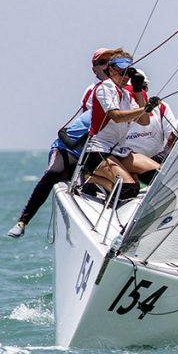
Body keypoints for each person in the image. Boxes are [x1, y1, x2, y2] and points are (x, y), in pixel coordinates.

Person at [7, 48, 117, 238]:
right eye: (102, 62)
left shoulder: (125, 89)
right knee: (54, 173)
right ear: (94, 69)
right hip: (71, 148)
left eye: (111, 61)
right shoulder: (93, 90)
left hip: (100, 149)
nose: (107, 65)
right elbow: (85, 119)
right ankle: (23, 221)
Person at [81, 52, 161, 201]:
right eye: (122, 72)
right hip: (98, 152)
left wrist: (138, 91)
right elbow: (116, 116)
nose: (126, 77)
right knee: (129, 190)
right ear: (111, 70)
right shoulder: (105, 88)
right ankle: (90, 177)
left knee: (159, 175)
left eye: (128, 73)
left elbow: (144, 121)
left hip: (119, 152)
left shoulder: (125, 94)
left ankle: (122, 175)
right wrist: (145, 109)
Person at [124, 69, 178, 168]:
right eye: (134, 88)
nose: (139, 92)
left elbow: (172, 138)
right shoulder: (119, 109)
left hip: (156, 163)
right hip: (128, 163)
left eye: (142, 87)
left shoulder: (161, 107)